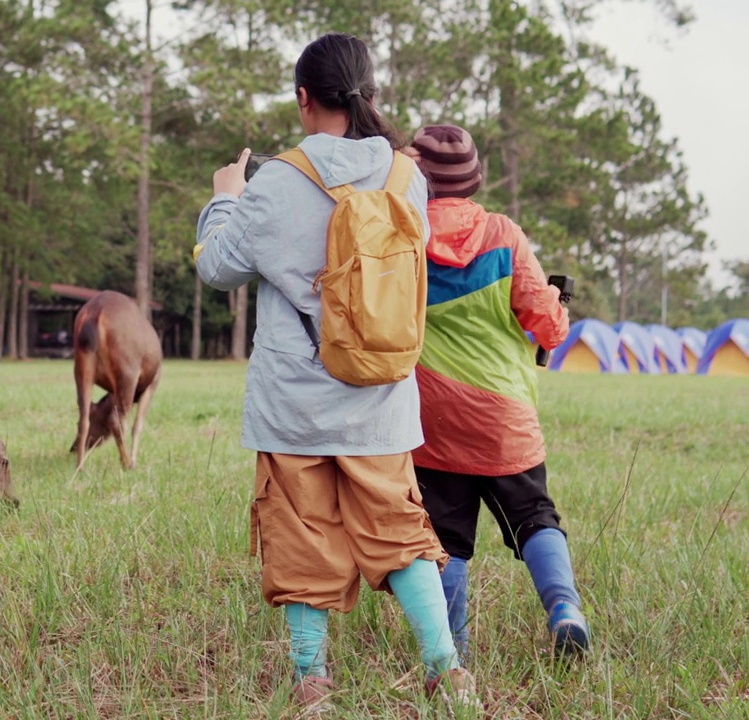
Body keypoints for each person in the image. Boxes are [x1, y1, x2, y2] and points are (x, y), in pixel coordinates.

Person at [193, 33, 474, 710]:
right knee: (402, 534)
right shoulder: (409, 177)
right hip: (381, 393)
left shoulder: (278, 178)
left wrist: (225, 197)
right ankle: (447, 668)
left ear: (303, 99)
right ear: (368, 93)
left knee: (299, 537)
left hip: (294, 402)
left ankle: (312, 683)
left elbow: (216, 266)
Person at [407, 124, 590, 662]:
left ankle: (453, 650)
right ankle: (564, 609)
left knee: (446, 540)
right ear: (475, 178)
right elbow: (549, 328)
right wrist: (556, 302)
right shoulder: (504, 234)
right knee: (535, 516)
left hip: (431, 421)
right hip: (505, 419)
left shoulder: (405, 238)